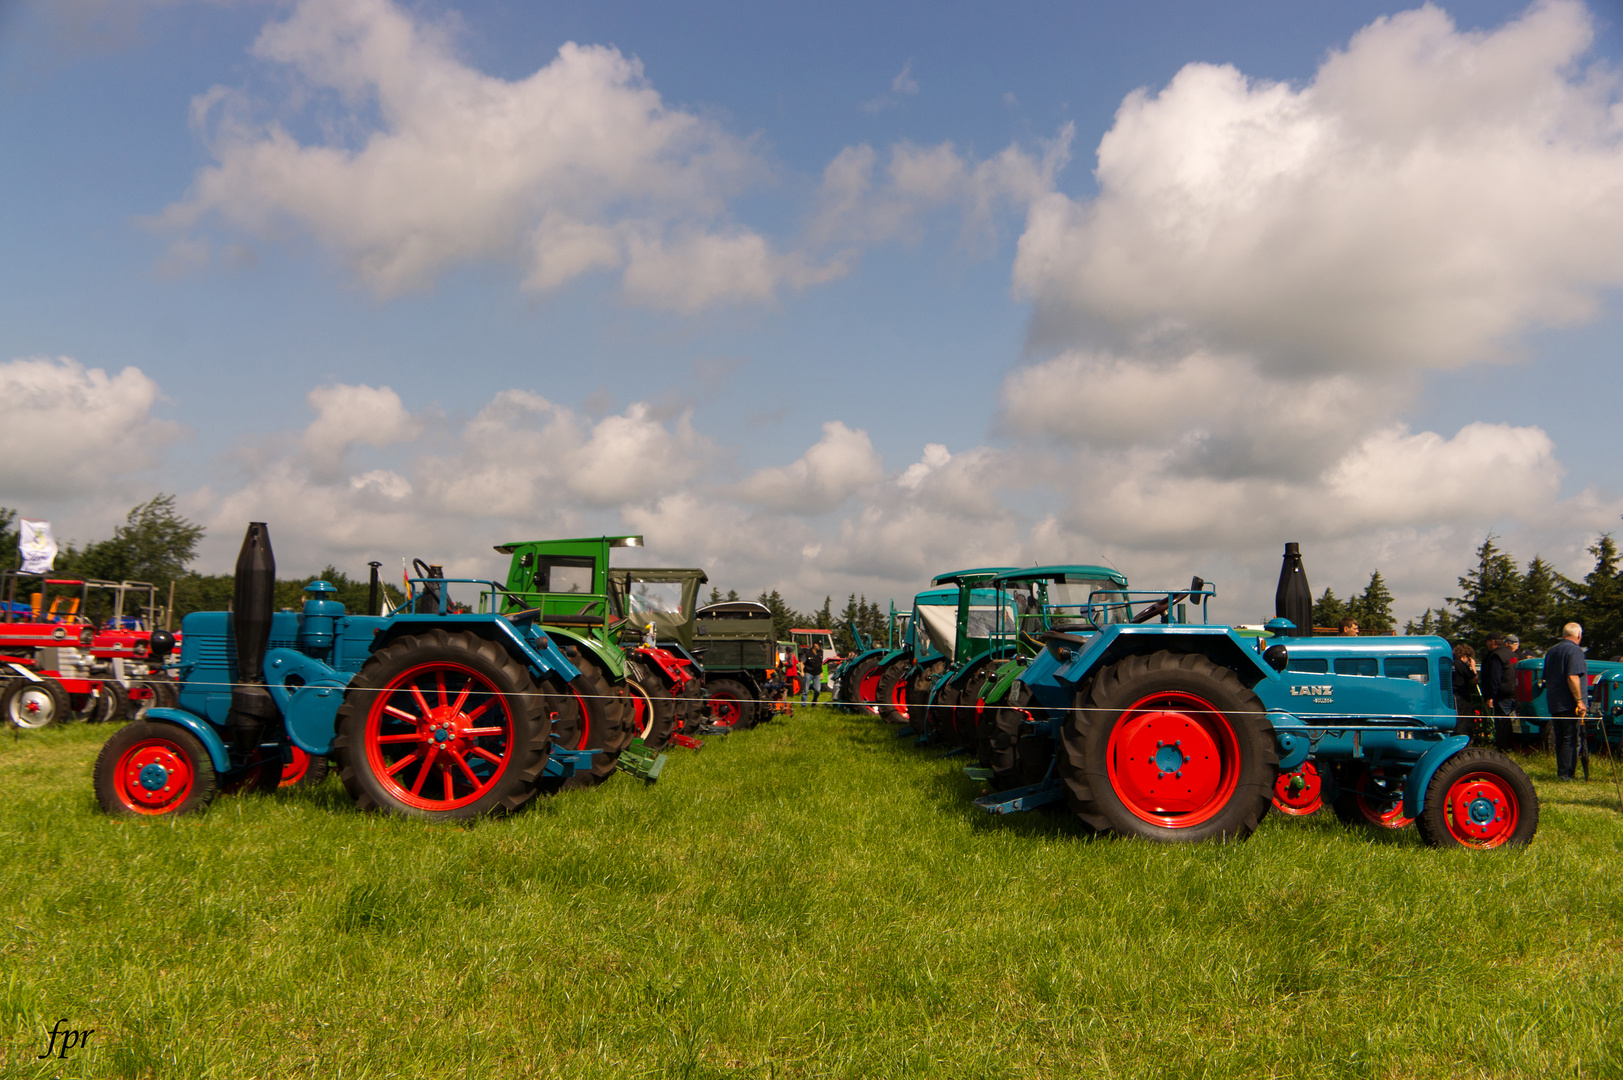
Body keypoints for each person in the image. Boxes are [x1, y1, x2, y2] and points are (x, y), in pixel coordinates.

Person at [1544, 622, 1588, 781]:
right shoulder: (1575, 651)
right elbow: (1572, 676)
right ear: (1578, 635)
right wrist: (1579, 701)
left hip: (1555, 701)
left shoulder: (1551, 651)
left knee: (1560, 737)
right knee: (1571, 739)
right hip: (1569, 702)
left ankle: (1561, 771)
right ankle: (1566, 774)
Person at [1481, 633, 1519, 751]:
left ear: (1492, 642)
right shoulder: (1511, 654)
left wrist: (1490, 696)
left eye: (1487, 642)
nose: (1486, 644)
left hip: (1502, 695)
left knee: (1502, 723)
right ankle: (1513, 745)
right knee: (1513, 723)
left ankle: (1503, 747)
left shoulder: (1496, 656)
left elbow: (1494, 678)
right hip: (1514, 693)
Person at [1452, 643, 1482, 738]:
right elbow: (1474, 680)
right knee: (1463, 720)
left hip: (1452, 694)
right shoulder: (1461, 665)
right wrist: (1473, 667)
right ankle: (1463, 737)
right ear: (1465, 656)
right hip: (1462, 696)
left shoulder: (1451, 663)